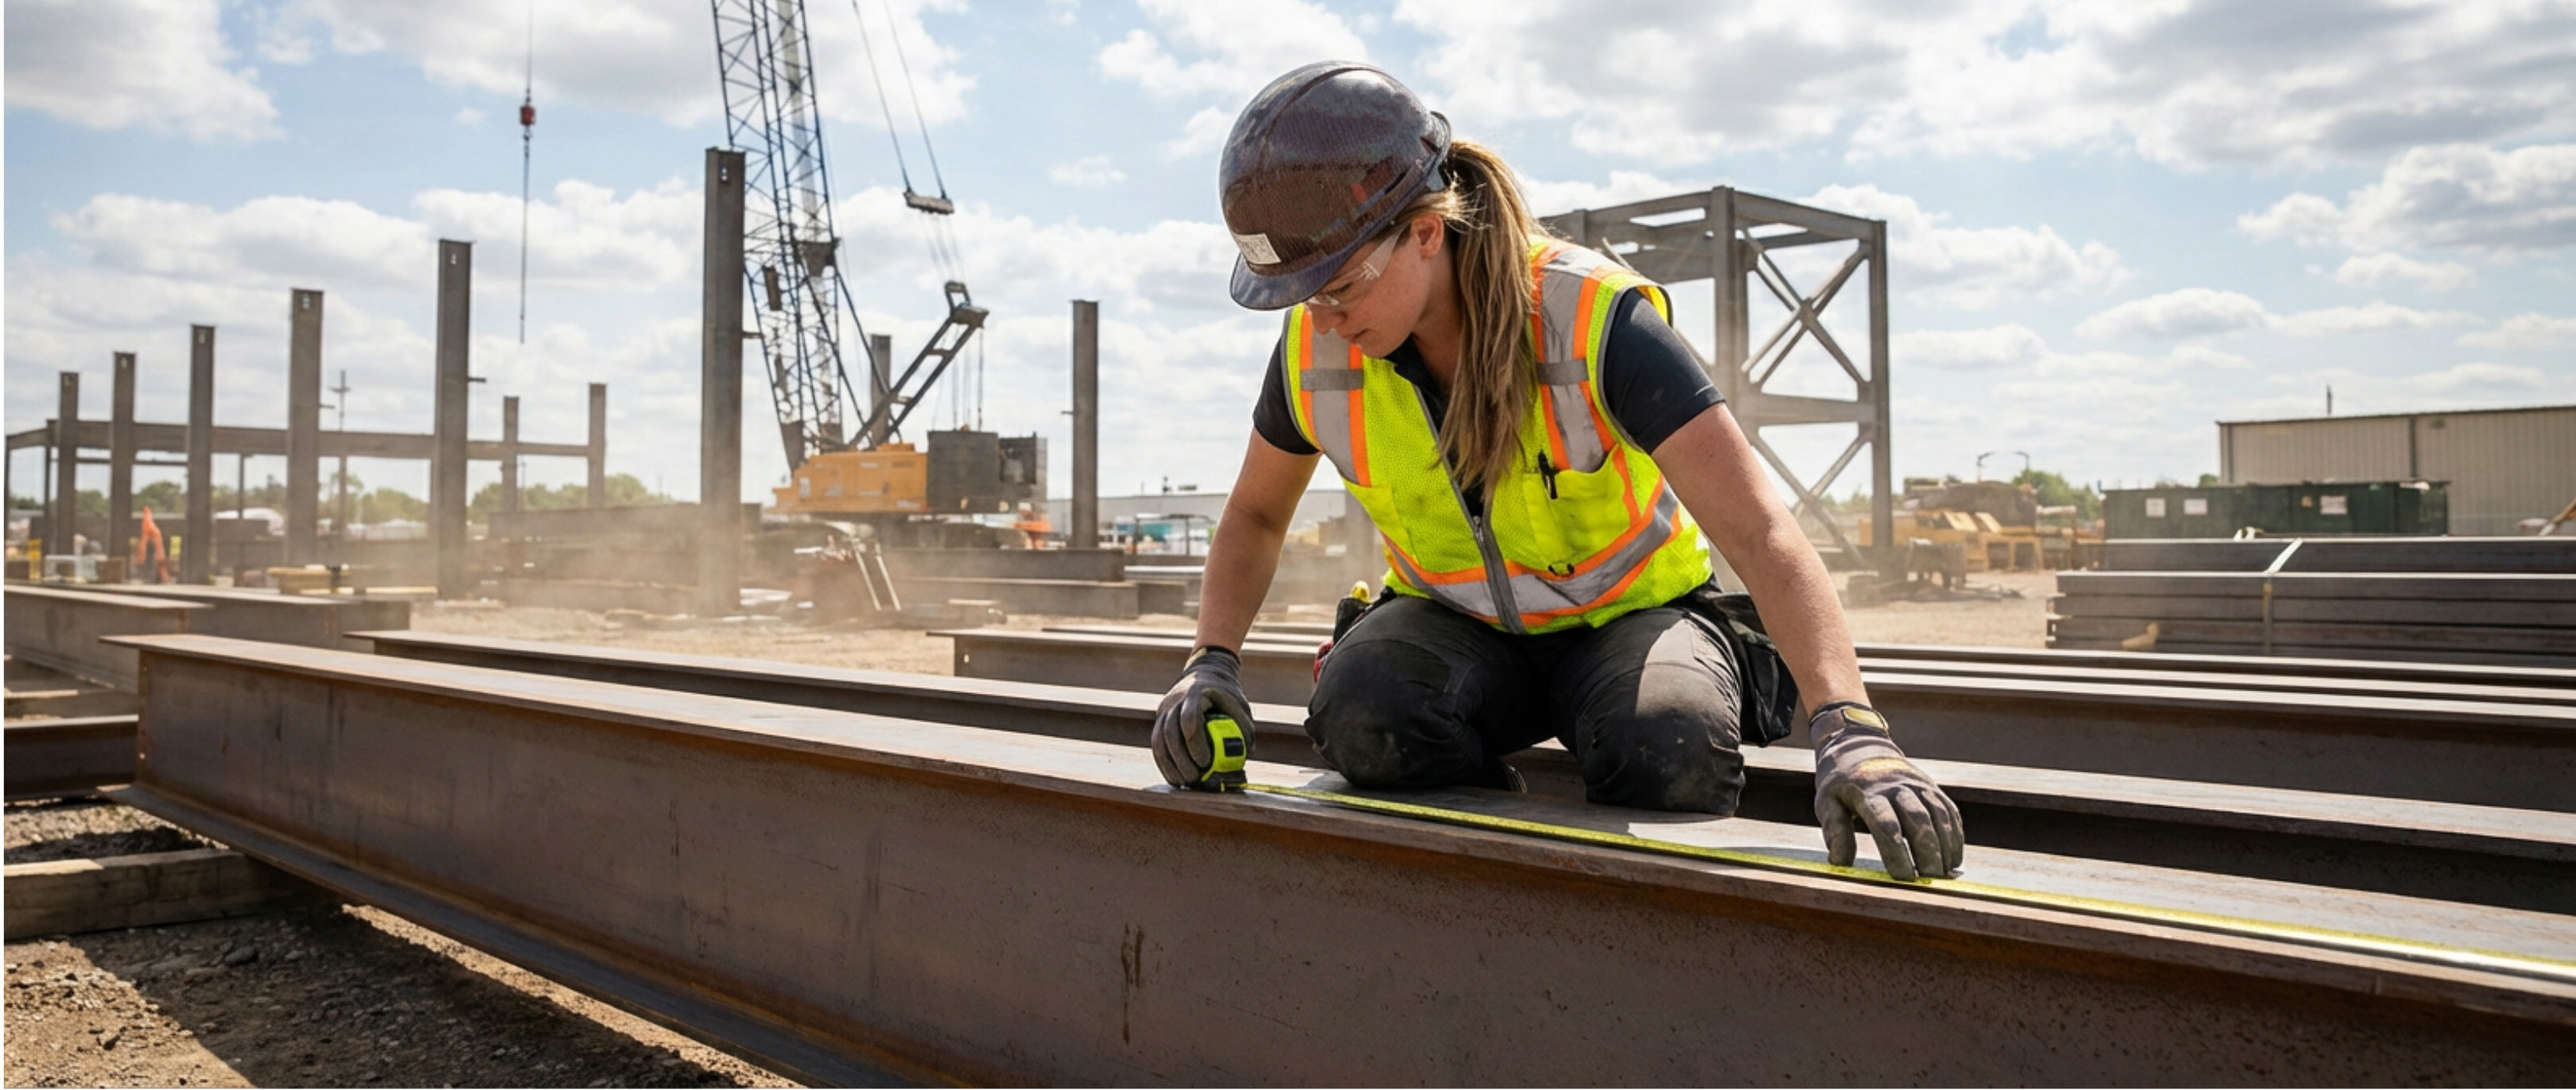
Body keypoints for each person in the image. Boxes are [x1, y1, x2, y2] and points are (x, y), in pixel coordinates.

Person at [1150, 62, 1964, 881]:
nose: (1321, 318)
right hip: (1454, 622)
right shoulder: (1313, 352)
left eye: (1338, 287)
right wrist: (1208, 662)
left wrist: (1850, 727)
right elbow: (1256, 515)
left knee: (1666, 740)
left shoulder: (1593, 319)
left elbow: (1756, 528)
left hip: (1628, 618)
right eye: (1300, 296)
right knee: (1365, 709)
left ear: (1425, 232)